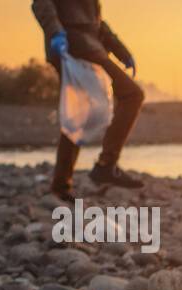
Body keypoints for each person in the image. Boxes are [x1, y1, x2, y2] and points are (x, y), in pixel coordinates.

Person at [32, 0, 145, 200]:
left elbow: (96, 23)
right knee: (132, 94)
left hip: (83, 44)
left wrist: (121, 51)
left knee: (77, 113)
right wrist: (55, 33)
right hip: (74, 45)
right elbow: (41, 3)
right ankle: (106, 165)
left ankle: (61, 184)